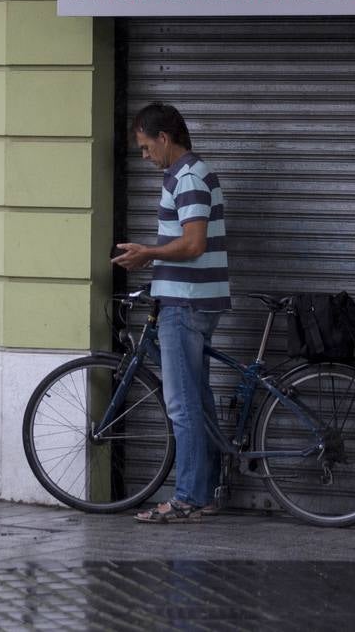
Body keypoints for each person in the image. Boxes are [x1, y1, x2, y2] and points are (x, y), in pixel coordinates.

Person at [112, 103, 230, 523]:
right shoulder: (189, 175)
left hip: (186, 302)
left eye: (146, 147)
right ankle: (209, 491)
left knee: (181, 406)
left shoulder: (189, 177)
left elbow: (194, 244)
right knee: (196, 403)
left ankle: (187, 499)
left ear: (164, 138)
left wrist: (148, 254)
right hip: (190, 298)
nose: (144, 156)